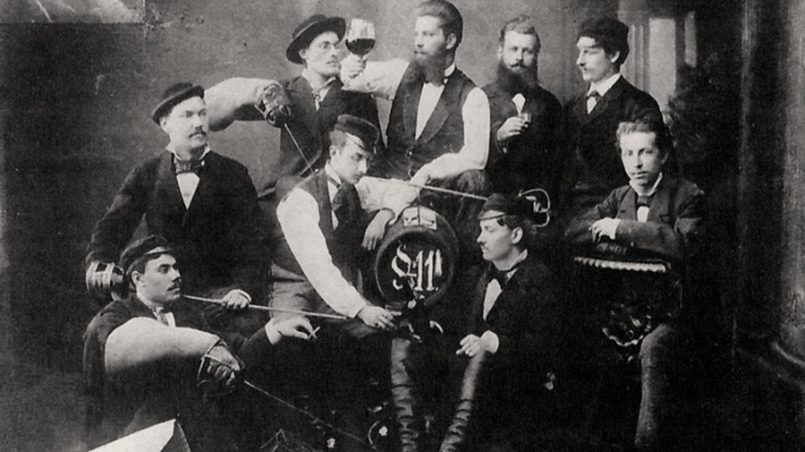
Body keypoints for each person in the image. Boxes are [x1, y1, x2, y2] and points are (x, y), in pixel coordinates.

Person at [83, 235, 313, 450]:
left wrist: (274, 330)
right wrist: (208, 344)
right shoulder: (116, 314)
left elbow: (236, 353)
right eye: (164, 269)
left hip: (189, 437)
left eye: (176, 268)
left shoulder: (188, 315)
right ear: (138, 279)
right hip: (134, 440)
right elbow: (126, 342)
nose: (176, 275)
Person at [564, 119, 705, 450]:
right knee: (576, 334)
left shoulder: (687, 196)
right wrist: (610, 233)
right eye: (628, 154)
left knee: (653, 348)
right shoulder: (619, 197)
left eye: (645, 152)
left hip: (671, 314)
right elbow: (573, 231)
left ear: (663, 155)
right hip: (622, 312)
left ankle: (647, 445)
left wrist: (620, 230)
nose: (636, 163)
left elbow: (683, 245)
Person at [85, 82, 268, 334]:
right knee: (103, 330)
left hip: (217, 298)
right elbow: (113, 227)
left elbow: (252, 244)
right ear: (165, 124)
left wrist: (242, 289)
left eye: (202, 114)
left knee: (248, 328)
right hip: (160, 296)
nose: (198, 123)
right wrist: (100, 263)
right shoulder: (146, 174)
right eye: (187, 115)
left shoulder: (233, 174)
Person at [339, 0, 491, 261]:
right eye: (417, 34)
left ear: (450, 40)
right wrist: (350, 64)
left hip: (433, 198)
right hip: (385, 187)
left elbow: (477, 157)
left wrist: (429, 170)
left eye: (428, 35)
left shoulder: (472, 95)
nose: (418, 42)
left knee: (474, 179)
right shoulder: (400, 74)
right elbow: (351, 80)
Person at [205, 14, 383, 199]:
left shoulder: (356, 96)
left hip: (338, 196)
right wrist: (259, 90)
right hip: (286, 193)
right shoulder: (282, 91)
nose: (334, 53)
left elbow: (376, 158)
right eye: (325, 46)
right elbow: (221, 107)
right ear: (304, 53)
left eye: (336, 46)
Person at [561, 17, 663, 218]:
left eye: (589, 52)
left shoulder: (638, 105)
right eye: (579, 51)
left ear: (614, 54)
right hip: (568, 215)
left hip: (615, 215)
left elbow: (647, 171)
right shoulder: (571, 107)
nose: (579, 61)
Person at [483, 15, 562, 198]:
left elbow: (558, 162)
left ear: (536, 56)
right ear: (500, 52)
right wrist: (498, 138)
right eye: (513, 49)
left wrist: (543, 195)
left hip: (536, 200)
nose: (519, 58)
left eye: (527, 51)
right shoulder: (481, 98)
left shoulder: (550, 104)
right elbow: (467, 156)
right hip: (489, 199)